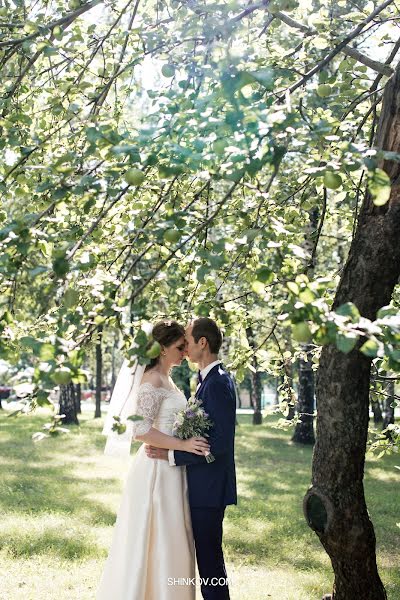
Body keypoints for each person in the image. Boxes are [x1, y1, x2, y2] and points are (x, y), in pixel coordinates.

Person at [96, 320, 210, 600]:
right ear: (161, 350)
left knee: (173, 540)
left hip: (172, 468)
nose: (184, 352)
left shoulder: (168, 379)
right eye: (179, 347)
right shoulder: (152, 380)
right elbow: (140, 430)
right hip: (156, 472)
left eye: (185, 346)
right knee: (158, 538)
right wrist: (182, 444)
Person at [146, 317, 237, 600]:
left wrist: (171, 453)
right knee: (208, 559)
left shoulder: (217, 383)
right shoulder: (207, 380)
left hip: (209, 490)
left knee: (210, 562)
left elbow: (219, 444)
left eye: (188, 338)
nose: (185, 344)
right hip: (201, 488)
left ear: (202, 342)